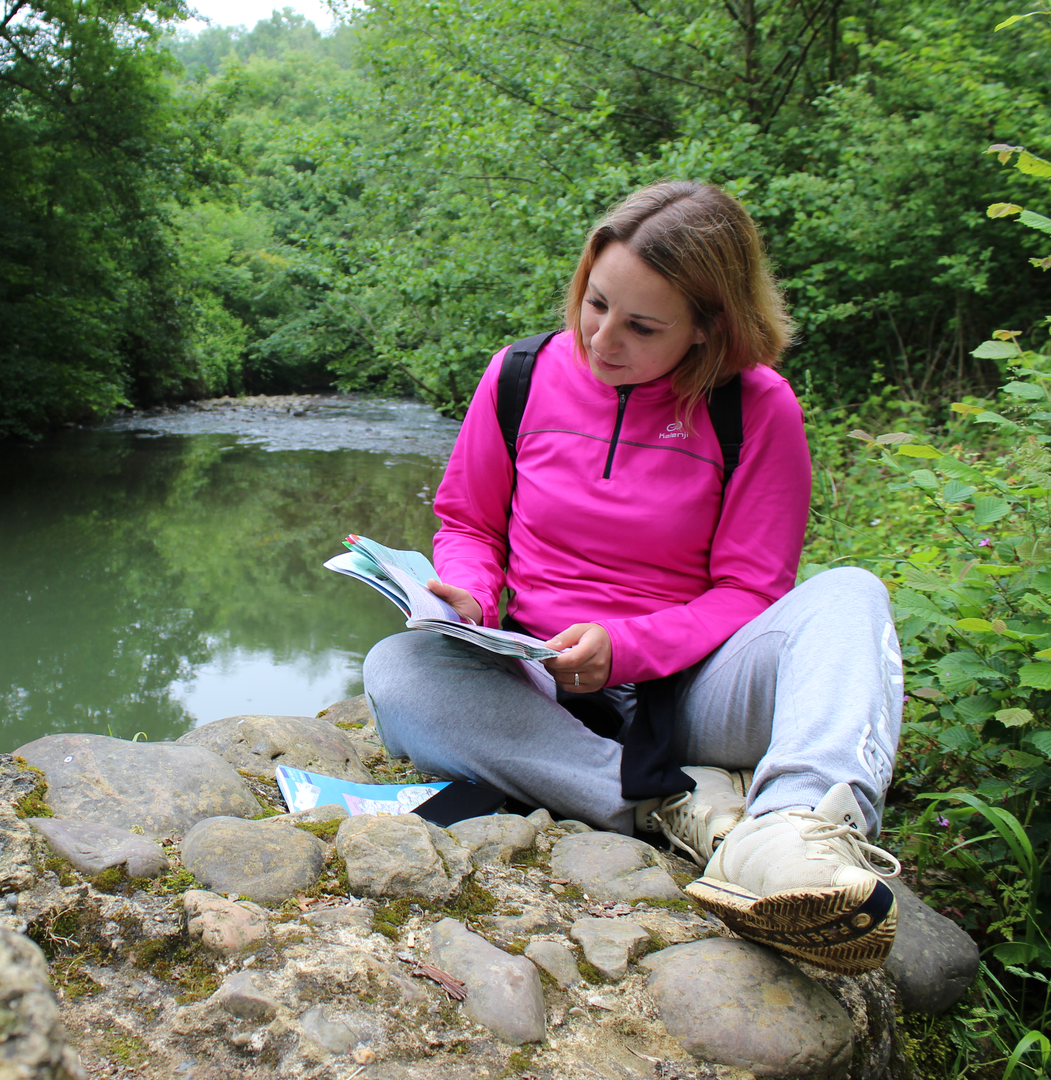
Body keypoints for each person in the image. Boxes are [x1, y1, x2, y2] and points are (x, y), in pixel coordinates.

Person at [362, 181, 904, 975]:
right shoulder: (518, 375)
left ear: (709, 326)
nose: (602, 338)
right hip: (542, 680)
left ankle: (793, 836)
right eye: (596, 303)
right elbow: (469, 523)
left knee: (853, 593)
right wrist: (469, 592)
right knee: (397, 670)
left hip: (694, 689)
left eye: (641, 325)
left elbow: (752, 592)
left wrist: (630, 647)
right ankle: (683, 806)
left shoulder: (757, 408)